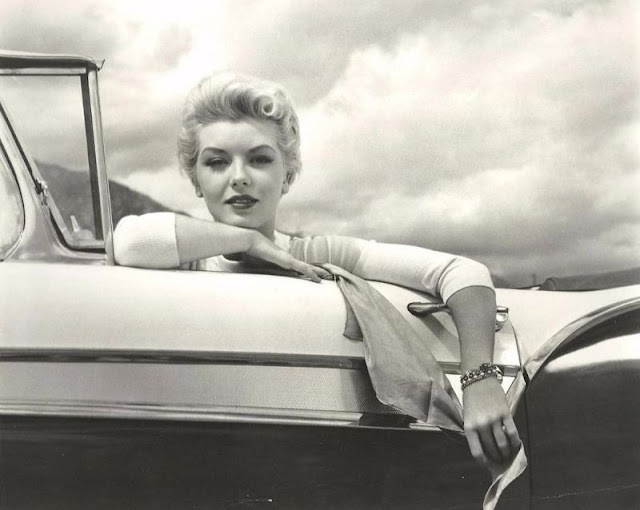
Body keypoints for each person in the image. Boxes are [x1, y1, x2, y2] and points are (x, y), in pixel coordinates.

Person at [113, 72, 521, 468]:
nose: (239, 178)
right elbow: (127, 241)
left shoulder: (317, 253)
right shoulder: (189, 258)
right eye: (217, 162)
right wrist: (248, 242)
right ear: (196, 180)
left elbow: (461, 272)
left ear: (287, 176)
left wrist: (480, 381)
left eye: (259, 159)